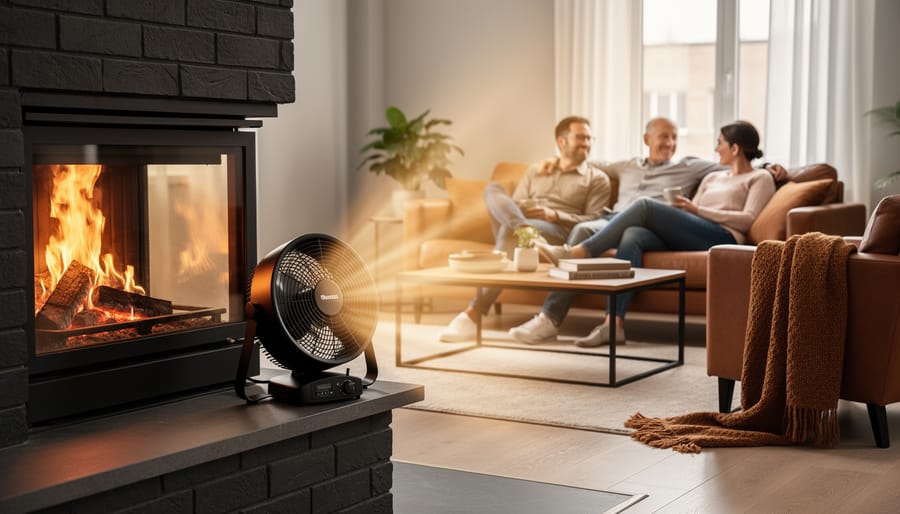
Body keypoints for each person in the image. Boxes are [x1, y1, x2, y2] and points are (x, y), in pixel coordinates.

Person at [518, 120, 776, 347]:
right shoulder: (712, 179)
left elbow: (748, 220)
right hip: (694, 231)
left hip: (723, 237)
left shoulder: (759, 178)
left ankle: (577, 252)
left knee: (643, 205)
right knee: (633, 233)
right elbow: (691, 215)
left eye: (719, 143)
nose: (715, 148)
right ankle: (613, 325)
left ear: (734, 148)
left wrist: (698, 209)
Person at [438, 116, 612, 342]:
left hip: (555, 234)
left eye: (589, 138)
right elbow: (516, 202)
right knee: (493, 190)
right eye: (580, 137)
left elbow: (595, 220)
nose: (586, 143)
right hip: (519, 223)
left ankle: (472, 315)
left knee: (508, 232)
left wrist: (555, 214)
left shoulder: (596, 179)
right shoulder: (536, 170)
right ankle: (523, 230)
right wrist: (521, 214)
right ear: (561, 141)